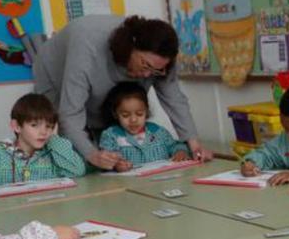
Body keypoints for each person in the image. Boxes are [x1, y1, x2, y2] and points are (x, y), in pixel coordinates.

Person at [32, 15, 207, 170]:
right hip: (55, 75)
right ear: (130, 47)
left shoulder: (160, 60)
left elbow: (174, 98)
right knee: (78, 155)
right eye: (145, 65)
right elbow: (70, 113)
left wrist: (194, 143)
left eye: (156, 71)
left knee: (115, 127)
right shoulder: (88, 44)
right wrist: (92, 155)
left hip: (102, 84)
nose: (147, 75)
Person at [0, 94, 86, 189]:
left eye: (48, 126)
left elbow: (77, 171)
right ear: (16, 126)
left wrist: (54, 138)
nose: (43, 132)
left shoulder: (55, 153)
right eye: (34, 125)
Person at [97, 81, 191, 171]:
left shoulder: (158, 131)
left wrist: (180, 152)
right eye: (125, 115)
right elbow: (106, 159)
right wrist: (116, 165)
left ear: (146, 111)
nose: (133, 120)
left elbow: (175, 145)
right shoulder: (111, 136)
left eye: (139, 114)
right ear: (115, 114)